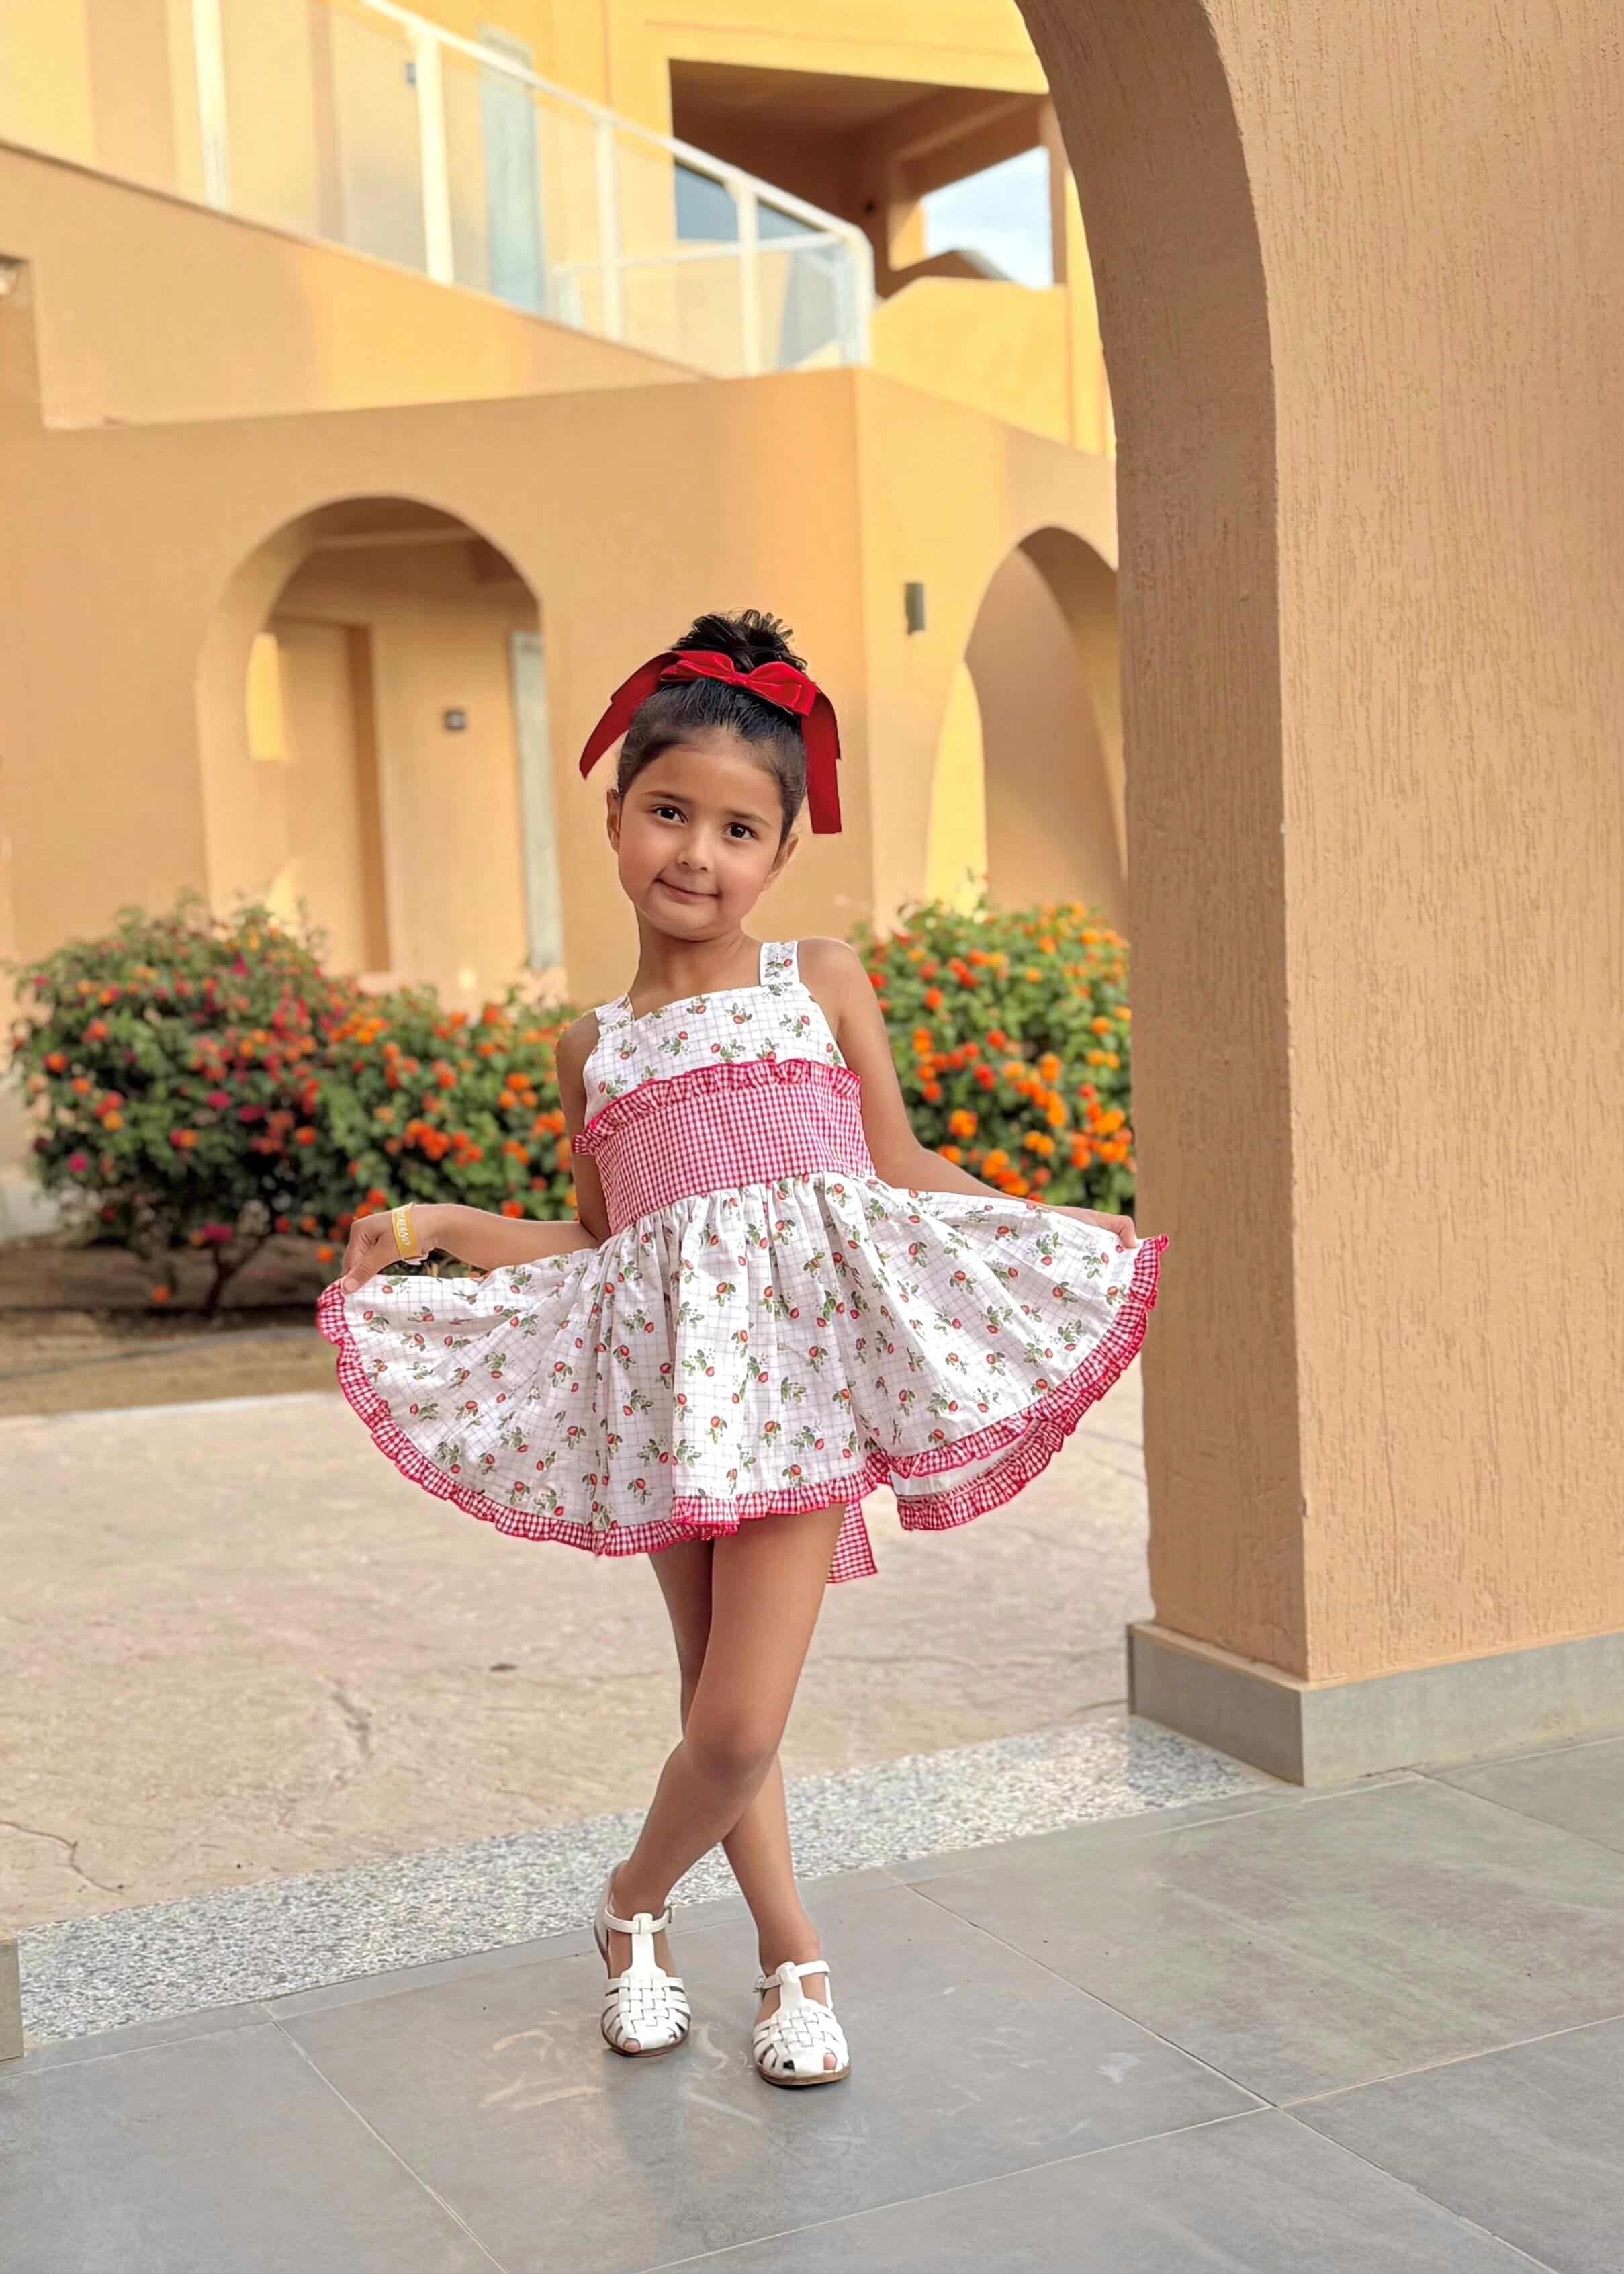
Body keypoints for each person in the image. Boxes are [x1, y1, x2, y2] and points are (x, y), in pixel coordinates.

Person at [318, 607, 1169, 2088]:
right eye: (668, 812)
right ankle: (787, 1953)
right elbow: (607, 1245)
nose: (696, 854)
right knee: (711, 1690)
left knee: (732, 1723)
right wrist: (435, 1223)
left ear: (779, 851)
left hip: (799, 1397)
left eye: (737, 829)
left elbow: (900, 1168)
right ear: (615, 814)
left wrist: (1052, 1229)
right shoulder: (593, 1048)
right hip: (666, 1396)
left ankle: (629, 1903)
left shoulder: (816, 981)